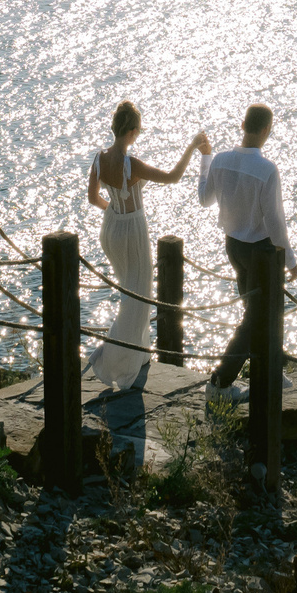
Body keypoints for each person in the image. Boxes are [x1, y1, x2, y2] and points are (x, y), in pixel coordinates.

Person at [83, 101, 199, 389]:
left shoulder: (100, 159)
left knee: (130, 290)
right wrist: (192, 146)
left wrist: (114, 209)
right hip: (132, 230)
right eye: (139, 130)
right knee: (138, 294)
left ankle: (139, 353)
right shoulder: (130, 164)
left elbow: (93, 198)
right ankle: (111, 359)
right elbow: (173, 177)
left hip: (110, 228)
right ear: (133, 131)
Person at [199, 103, 292, 402]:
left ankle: (271, 369)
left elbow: (204, 199)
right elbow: (274, 220)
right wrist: (289, 258)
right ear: (266, 130)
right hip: (261, 252)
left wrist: (206, 158)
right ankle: (221, 382)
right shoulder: (267, 169)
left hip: (233, 246)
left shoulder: (221, 161)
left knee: (257, 311)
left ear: (243, 124)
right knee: (256, 317)